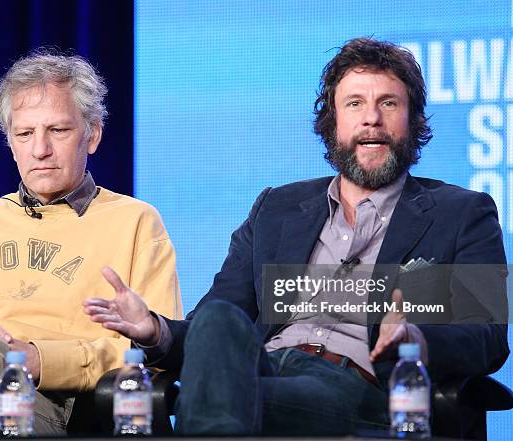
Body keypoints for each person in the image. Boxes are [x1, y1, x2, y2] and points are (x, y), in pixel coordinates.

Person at [83, 38, 509, 435]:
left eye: (389, 103)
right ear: (334, 121)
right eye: (355, 103)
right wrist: (155, 331)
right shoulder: (277, 208)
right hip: (263, 368)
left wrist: (416, 336)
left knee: (226, 399)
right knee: (216, 321)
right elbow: (214, 327)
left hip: (358, 387)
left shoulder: (460, 213)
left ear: (411, 119)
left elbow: (487, 338)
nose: (371, 119)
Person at [0, 49, 182, 437]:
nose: (40, 150)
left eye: (59, 131)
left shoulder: (133, 222)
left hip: (39, 404)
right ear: (11, 144)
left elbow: (151, 353)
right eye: (25, 134)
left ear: (93, 134)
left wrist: (37, 358)